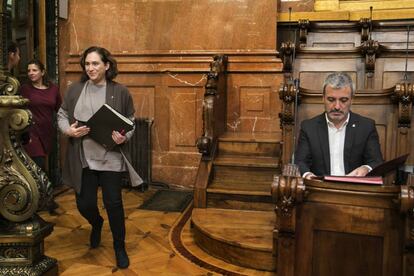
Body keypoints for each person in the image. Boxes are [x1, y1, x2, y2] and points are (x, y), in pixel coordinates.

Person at [57, 46, 142, 269]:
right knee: (84, 204)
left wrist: (124, 137)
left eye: (95, 63)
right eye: (87, 64)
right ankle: (96, 223)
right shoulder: (74, 90)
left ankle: (119, 247)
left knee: (113, 204)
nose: (91, 68)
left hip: (111, 158)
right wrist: (68, 131)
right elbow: (62, 115)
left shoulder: (120, 92)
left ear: (107, 65)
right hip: (83, 158)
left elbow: (131, 120)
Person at [294, 72, 383, 179]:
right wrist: (308, 176)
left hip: (353, 190)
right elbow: (300, 162)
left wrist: (366, 168)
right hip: (320, 189)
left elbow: (376, 161)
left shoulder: (366, 126)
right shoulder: (308, 127)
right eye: (331, 100)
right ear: (323, 98)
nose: (337, 106)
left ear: (352, 100)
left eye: (343, 100)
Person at [20, 59, 62, 171]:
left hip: (47, 132)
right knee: (38, 163)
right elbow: (18, 111)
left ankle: (42, 188)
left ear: (42, 72)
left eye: (34, 70)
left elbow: (61, 110)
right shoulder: (24, 89)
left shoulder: (53, 89)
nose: (31, 73)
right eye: (29, 71)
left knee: (40, 166)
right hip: (30, 132)